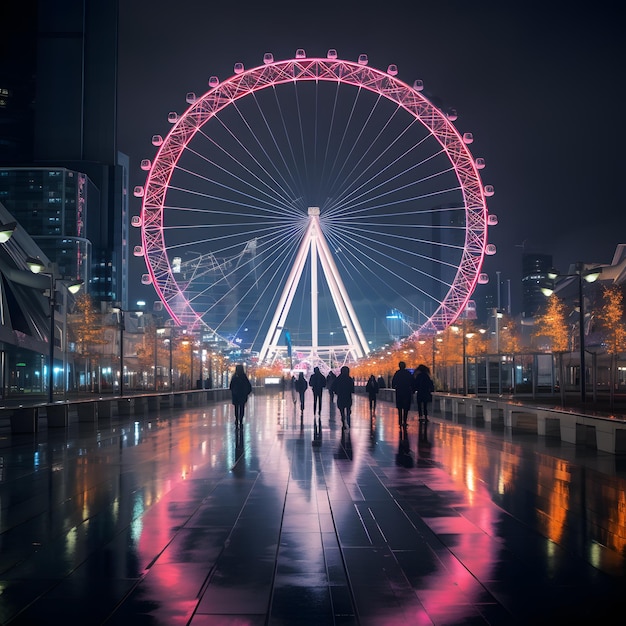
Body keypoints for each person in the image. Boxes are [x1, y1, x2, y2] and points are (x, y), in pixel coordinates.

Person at [391, 361, 414, 428]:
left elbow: (393, 382)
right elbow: (412, 382)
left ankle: (400, 421)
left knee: (400, 407)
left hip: (399, 391)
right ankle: (405, 421)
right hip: (406, 391)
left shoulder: (397, 373)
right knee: (406, 407)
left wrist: (395, 387)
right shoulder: (408, 373)